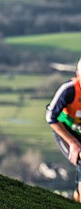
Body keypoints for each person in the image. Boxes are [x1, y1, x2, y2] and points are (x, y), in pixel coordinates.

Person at [46, 57, 81, 202]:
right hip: (66, 132)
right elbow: (50, 117)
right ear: (78, 74)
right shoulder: (69, 90)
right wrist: (72, 142)